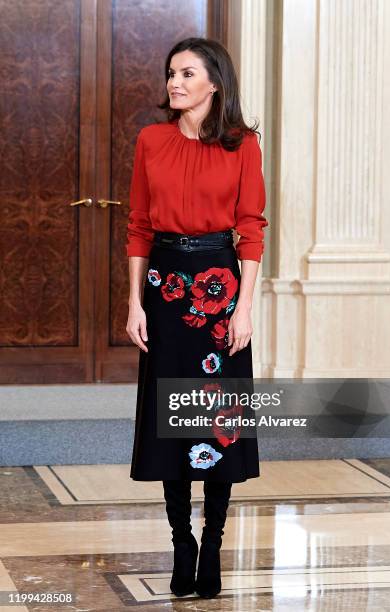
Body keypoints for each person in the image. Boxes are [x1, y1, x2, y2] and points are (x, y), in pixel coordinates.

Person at [125, 37, 268, 599]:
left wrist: (244, 308)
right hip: (164, 289)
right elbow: (138, 225)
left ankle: (213, 542)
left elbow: (251, 229)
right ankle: (181, 540)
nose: (174, 83)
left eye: (187, 73)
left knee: (215, 423)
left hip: (219, 289)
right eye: (170, 74)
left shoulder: (243, 144)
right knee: (171, 421)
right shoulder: (151, 141)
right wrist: (134, 301)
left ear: (215, 82)